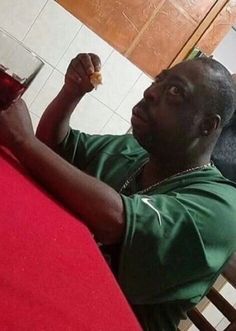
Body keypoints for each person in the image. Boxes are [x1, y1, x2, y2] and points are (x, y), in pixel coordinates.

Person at [0, 54, 236, 331]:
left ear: (207, 125)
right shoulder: (135, 150)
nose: (150, 92)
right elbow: (56, 145)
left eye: (175, 91)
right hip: (56, 283)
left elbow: (116, 222)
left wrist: (21, 140)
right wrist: (71, 92)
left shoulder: (223, 207)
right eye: (160, 79)